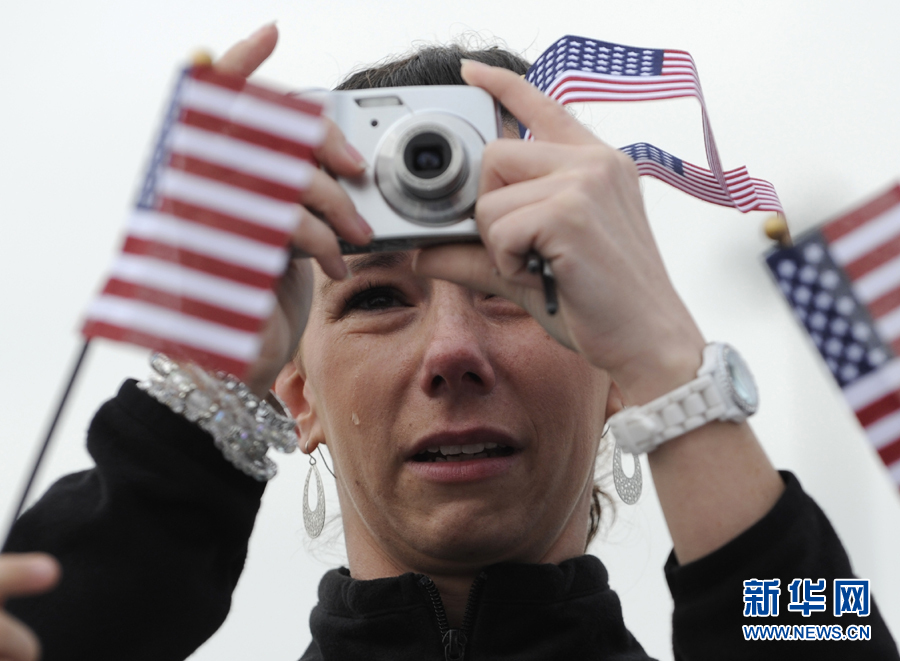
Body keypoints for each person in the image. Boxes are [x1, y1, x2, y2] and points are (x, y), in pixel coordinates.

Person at [2, 24, 898, 661]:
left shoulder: (796, 591)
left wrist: (674, 366)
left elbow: (826, 634)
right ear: (298, 395)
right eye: (379, 299)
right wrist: (201, 405)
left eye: (515, 292)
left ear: (614, 375)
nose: (452, 352)